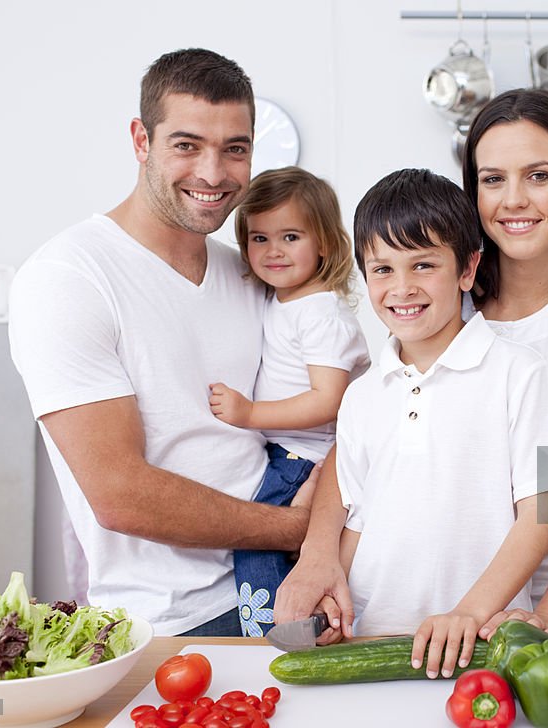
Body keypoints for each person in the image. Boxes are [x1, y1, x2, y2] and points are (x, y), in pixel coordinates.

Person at [275, 88, 548, 640]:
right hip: (424, 606)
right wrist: (319, 554)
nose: (514, 200)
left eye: (539, 176)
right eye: (493, 179)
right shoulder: (435, 290)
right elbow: (367, 439)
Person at [8, 48, 314, 637]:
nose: (213, 173)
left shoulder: (252, 273)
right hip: (177, 620)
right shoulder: (68, 278)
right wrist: (299, 530)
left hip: (293, 587)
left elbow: (319, 416)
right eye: (186, 145)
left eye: (235, 149)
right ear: (141, 140)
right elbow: (121, 495)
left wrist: (319, 543)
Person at [317, 168, 548, 679]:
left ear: (467, 268)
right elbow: (359, 517)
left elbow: (544, 509)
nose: (402, 288)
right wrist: (334, 592)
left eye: (423, 265)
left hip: (480, 641)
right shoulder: (362, 394)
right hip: (376, 641)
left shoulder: (518, 373)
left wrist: (471, 611)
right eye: (382, 269)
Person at [207, 167, 370, 637]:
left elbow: (329, 398)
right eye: (258, 238)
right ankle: (303, 625)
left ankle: (277, 636)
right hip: (290, 453)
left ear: (324, 243)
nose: (272, 251)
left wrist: (251, 414)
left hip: (307, 456)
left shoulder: (320, 313)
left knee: (256, 540)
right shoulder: (284, 300)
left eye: (291, 236)